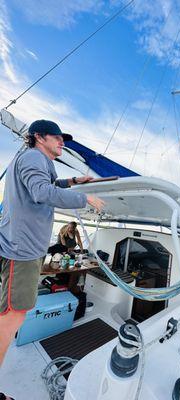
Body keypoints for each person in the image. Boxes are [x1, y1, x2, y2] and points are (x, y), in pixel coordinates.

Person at [0, 119, 104, 400]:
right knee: (12, 317)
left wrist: (71, 181)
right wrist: (85, 198)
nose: (62, 142)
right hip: (21, 252)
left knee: (11, 315)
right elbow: (41, 192)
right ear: (38, 137)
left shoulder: (31, 159)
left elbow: (46, 184)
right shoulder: (34, 156)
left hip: (22, 247)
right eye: (56, 137)